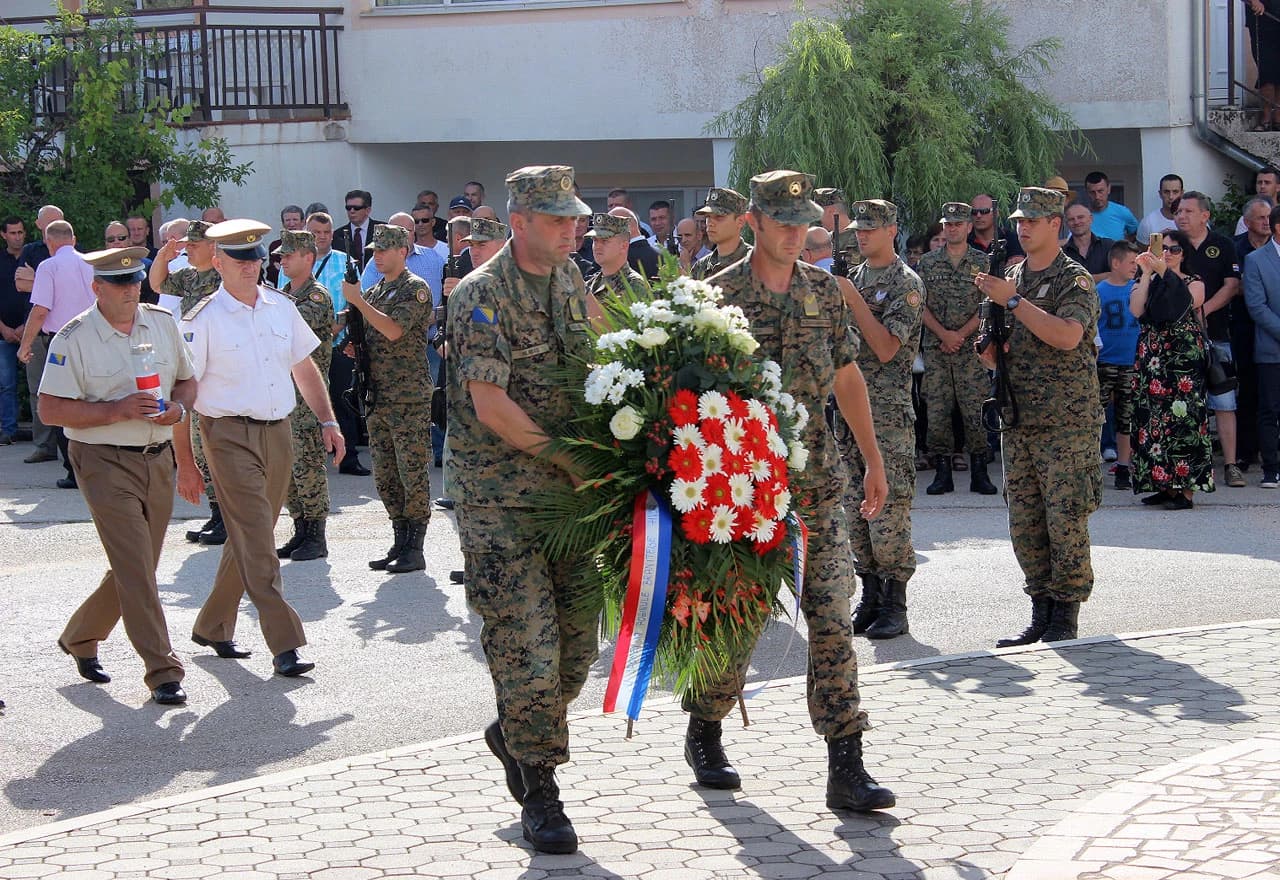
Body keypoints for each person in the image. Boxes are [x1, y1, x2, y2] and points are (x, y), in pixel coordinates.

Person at [693, 171, 893, 814]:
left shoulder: (824, 291)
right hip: (742, 491)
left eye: (802, 222)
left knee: (832, 615)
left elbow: (846, 375)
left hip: (815, 484)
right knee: (741, 617)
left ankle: (846, 761)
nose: (793, 234)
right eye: (781, 222)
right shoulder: (716, 297)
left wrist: (872, 457)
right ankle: (706, 723)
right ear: (753, 221)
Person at [446, 165, 598, 853]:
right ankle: (541, 790)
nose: (572, 230)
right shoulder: (482, 294)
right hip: (500, 502)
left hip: (569, 503)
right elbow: (491, 405)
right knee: (527, 650)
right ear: (519, 222)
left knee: (577, 650)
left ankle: (514, 729)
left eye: (574, 218)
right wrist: (570, 457)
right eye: (558, 219)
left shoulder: (568, 279)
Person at [175, 219, 343, 677]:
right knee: (258, 539)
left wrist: (328, 420)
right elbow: (183, 394)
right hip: (226, 435)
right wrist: (185, 463)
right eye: (239, 259)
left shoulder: (280, 307)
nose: (250, 266)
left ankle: (213, 625)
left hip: (278, 432)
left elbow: (303, 366)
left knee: (251, 535)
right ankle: (285, 642)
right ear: (217, 262)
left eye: (254, 258)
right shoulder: (202, 319)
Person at [38, 246, 196, 705]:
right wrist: (117, 410)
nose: (131, 290)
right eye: (120, 283)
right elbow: (49, 409)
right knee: (135, 566)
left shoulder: (161, 323)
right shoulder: (73, 337)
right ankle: (163, 670)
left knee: (139, 565)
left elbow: (187, 381)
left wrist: (178, 408)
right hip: (102, 459)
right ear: (97, 288)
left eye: (135, 281)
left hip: (157, 457)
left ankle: (81, 635)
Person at [975, 186, 1102, 646]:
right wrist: (990, 348)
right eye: (1019, 221)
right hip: (1019, 417)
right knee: (1026, 520)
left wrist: (1014, 302)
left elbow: (1068, 336)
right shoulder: (1009, 275)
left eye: (1032, 220)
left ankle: (1065, 616)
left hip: (1066, 422)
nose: (1023, 228)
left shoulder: (1073, 278)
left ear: (1055, 224)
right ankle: (1040, 611)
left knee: (1065, 518)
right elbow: (992, 352)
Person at [839, 199, 924, 640]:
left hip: (886, 415)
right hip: (847, 414)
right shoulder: (852, 277)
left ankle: (896, 603)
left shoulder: (906, 283)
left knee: (887, 515)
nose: (862, 235)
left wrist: (852, 299)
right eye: (858, 228)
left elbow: (888, 348)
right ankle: (870, 597)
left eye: (870, 228)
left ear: (892, 230)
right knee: (855, 511)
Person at [344, 224, 436, 574]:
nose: (377, 257)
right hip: (378, 394)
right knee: (385, 473)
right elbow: (372, 330)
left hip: (407, 395)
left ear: (402, 251)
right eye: (374, 251)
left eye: (383, 250)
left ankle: (416, 546)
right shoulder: (377, 290)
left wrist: (358, 302)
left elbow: (394, 329)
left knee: (411, 471)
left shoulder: (415, 289)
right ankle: (399, 539)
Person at [150, 220, 226, 542]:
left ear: (212, 246)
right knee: (199, 445)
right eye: (188, 244)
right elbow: (157, 284)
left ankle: (228, 517)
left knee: (217, 446)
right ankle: (217, 513)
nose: (189, 250)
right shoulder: (189, 276)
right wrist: (163, 256)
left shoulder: (224, 277)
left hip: (217, 366)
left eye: (194, 245)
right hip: (194, 364)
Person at [1128, 230, 1214, 508]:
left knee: (1184, 421)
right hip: (1153, 358)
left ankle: (1186, 491)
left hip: (1182, 360)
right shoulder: (1148, 281)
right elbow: (1136, 310)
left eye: (1174, 249)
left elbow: (1184, 303)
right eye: (1162, 248)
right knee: (1153, 420)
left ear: (1184, 254)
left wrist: (1164, 271)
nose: (1167, 253)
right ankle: (1164, 486)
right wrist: (1145, 274)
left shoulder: (1194, 281)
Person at [917, 202, 998, 496]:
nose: (951, 229)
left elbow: (988, 304)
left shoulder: (982, 262)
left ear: (968, 227)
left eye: (957, 224)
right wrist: (944, 334)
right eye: (947, 224)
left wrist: (960, 335)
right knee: (937, 411)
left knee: (975, 409)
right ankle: (942, 473)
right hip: (937, 348)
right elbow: (919, 304)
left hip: (971, 349)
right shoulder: (927, 263)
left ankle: (979, 472)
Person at [17, 220, 96, 488]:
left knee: (63, 404)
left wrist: (25, 345)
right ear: (73, 240)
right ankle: (99, 467)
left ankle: (74, 472)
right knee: (93, 400)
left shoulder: (48, 266)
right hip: (94, 338)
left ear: (49, 242)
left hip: (62, 341)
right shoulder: (92, 263)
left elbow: (41, 310)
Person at [1176, 191, 1245, 487]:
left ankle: (1230, 464)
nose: (1181, 216)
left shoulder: (1223, 244)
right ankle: (1191, 465)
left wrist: (1204, 310)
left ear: (1205, 215)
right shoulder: (1171, 244)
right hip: (1179, 337)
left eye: (1188, 211)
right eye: (1179, 211)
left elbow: (1232, 285)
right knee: (1185, 404)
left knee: (1224, 401)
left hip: (1216, 334)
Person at [274, 230, 335, 561]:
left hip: (308, 395)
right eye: (281, 256)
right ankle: (300, 527)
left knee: (308, 464)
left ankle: (316, 534)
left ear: (308, 257)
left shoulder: (316, 297)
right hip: (284, 393)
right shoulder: (284, 294)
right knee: (287, 467)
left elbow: (285, 333)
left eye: (289, 255)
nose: (282, 261)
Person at [306, 211, 370, 477]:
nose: (321, 237)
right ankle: (310, 460)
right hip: (306, 348)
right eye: (316, 233)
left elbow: (356, 303)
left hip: (339, 344)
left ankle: (349, 458)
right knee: (306, 404)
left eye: (326, 232)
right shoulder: (296, 261)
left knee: (342, 401)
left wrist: (341, 330)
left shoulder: (346, 262)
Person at [1095, 241, 1143, 491]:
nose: (1135, 267)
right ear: (1116, 263)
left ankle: (1124, 466)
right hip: (1105, 360)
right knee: (1096, 413)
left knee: (1127, 416)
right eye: (1131, 262)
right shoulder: (1099, 291)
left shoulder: (1139, 289)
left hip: (1131, 361)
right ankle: (1091, 464)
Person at [1243, 202, 1280, 488]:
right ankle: (1271, 468)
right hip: (1271, 348)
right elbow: (1256, 306)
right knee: (1269, 409)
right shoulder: (1255, 260)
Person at [0, 216, 27, 445]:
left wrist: (27, 325)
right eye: (12, 233)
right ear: (4, 235)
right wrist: (4, 329)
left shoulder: (33, 257)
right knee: (6, 384)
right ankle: (9, 430)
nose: (17, 237)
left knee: (39, 385)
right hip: (3, 333)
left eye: (20, 232)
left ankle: (45, 435)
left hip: (33, 330)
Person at [584, 213, 651, 298]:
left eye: (605, 241)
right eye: (595, 240)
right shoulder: (591, 283)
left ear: (623, 246)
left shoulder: (634, 284)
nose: (597, 246)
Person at [690, 187, 750, 280]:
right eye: (708, 217)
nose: (710, 223)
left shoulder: (757, 263)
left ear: (740, 221)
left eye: (719, 217)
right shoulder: (701, 267)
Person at [1244, 1, 1280, 130]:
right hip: (1262, 19)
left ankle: (1278, 117)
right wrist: (1253, 1)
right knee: (1266, 69)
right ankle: (1266, 116)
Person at [1063, 204, 1114, 280]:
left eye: (1080, 217)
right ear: (1066, 224)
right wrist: (1103, 277)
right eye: (1071, 219)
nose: (1076, 222)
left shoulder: (1109, 246)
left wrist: (1080, 280)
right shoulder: (1062, 254)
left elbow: (1121, 274)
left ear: (1091, 219)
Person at [332, 190, 382, 269]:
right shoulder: (337, 235)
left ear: (368, 210)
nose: (352, 211)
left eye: (356, 208)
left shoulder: (382, 231)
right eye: (348, 208)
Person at [1083, 171, 1138, 241]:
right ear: (1087, 192)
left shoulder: (1122, 212)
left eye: (1100, 191)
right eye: (1092, 192)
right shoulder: (1080, 216)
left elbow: (1136, 233)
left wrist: (1124, 246)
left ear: (1108, 189)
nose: (1097, 196)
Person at [1136, 173, 1183, 241]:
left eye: (1175, 192)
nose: (1171, 197)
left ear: (1182, 193)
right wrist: (1156, 240)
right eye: (1166, 192)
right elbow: (1141, 247)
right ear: (1160, 194)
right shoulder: (1148, 222)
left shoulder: (1190, 221)